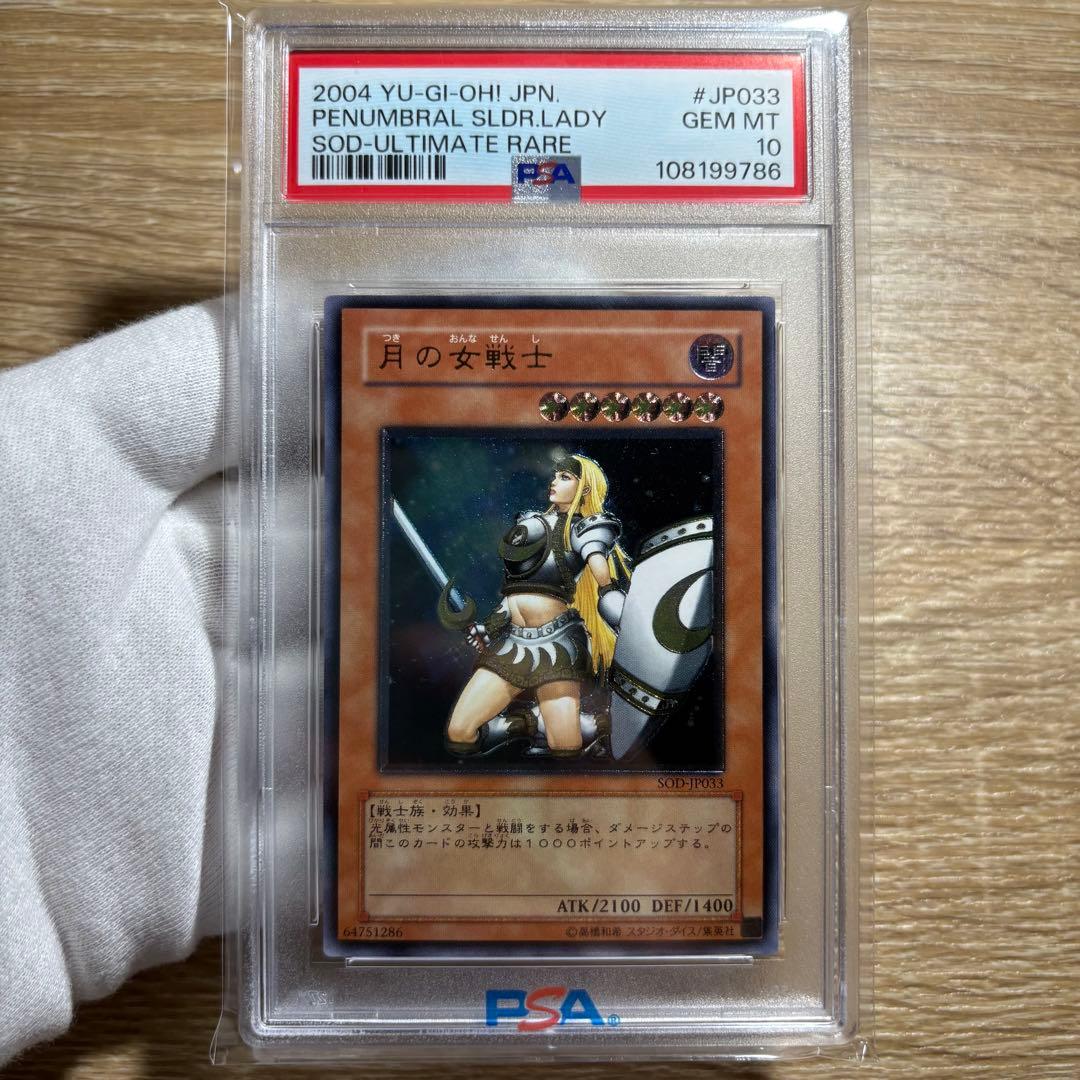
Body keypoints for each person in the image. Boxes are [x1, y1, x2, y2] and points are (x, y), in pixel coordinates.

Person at [443, 453, 631, 758]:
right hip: (513, 645)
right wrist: (488, 628)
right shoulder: (529, 523)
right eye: (555, 475)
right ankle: (528, 724)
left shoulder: (585, 529)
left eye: (565, 477)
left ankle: (592, 725)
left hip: (557, 647)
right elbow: (515, 592)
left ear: (584, 488)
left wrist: (621, 615)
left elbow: (604, 583)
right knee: (460, 734)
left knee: (565, 749)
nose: (554, 482)